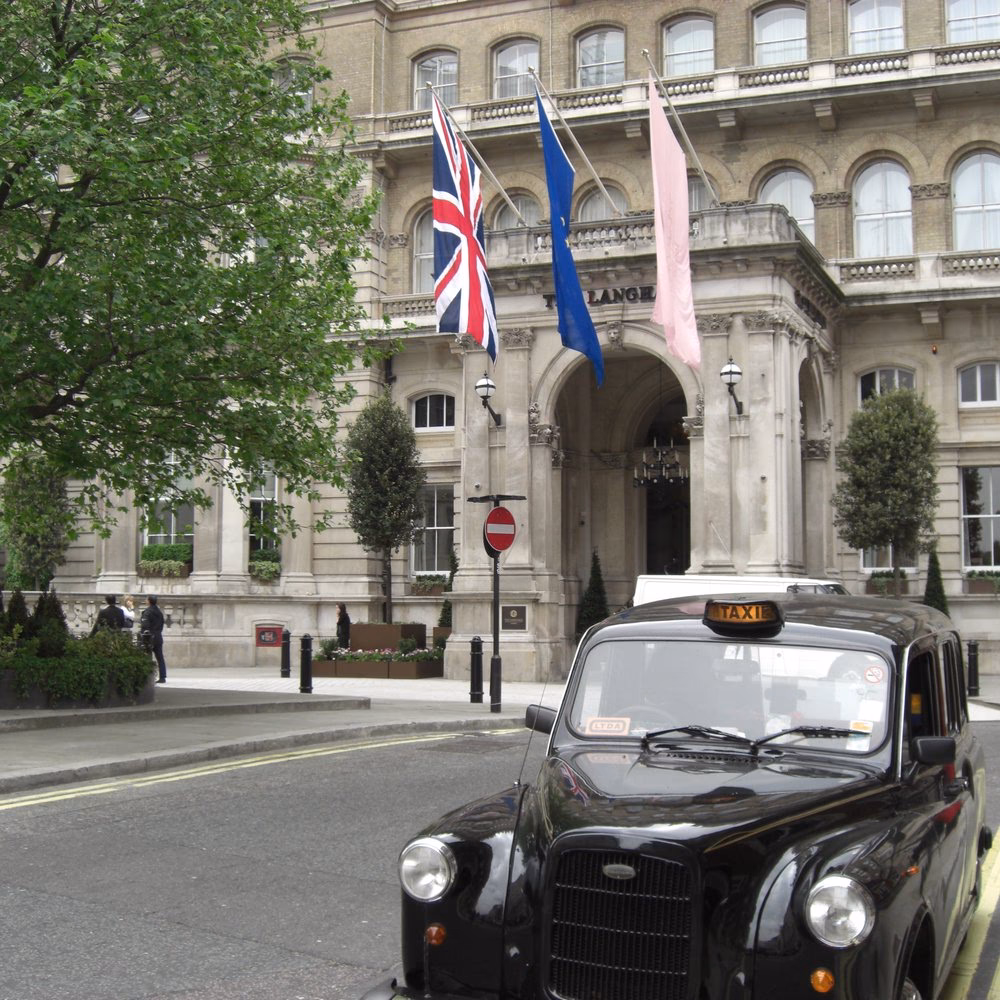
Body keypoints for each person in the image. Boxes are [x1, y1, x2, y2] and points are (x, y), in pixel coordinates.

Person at [141, 595, 167, 683]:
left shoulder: (147, 612)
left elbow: (145, 625)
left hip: (149, 636)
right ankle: (162, 676)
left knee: (147, 656)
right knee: (160, 657)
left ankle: (148, 676)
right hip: (158, 635)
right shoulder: (159, 612)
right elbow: (162, 623)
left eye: (146, 599)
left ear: (149, 601)